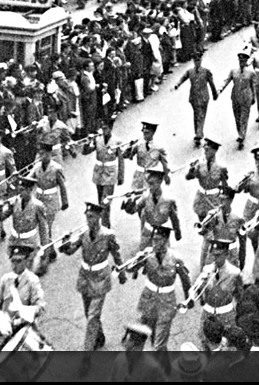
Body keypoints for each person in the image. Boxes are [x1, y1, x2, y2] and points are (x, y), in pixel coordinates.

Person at [60, 201, 125, 351]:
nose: (89, 220)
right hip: (85, 277)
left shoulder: (108, 235)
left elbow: (116, 254)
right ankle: (99, 336)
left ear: (99, 217)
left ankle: (87, 352)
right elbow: (70, 251)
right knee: (88, 312)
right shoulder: (83, 234)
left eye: (92, 217)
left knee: (92, 316)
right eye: (87, 217)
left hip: (100, 278)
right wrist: (65, 242)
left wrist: (121, 273)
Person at [136, 223, 191, 352]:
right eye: (153, 239)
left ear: (165, 240)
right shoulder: (148, 255)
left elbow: (185, 279)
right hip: (149, 298)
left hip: (166, 301)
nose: (154, 243)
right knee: (143, 334)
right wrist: (138, 260)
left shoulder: (175, 258)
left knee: (159, 343)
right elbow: (131, 269)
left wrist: (189, 298)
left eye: (158, 240)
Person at [0, 244, 46, 345]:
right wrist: (0, 317)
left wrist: (25, 312)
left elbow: (40, 307)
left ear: (25, 261)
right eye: (13, 261)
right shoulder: (5, 279)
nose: (15, 265)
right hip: (8, 329)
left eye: (19, 261)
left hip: (27, 329)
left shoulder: (32, 280)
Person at [82, 118, 126, 227]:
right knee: (100, 201)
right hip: (98, 174)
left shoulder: (117, 142)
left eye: (106, 128)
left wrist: (120, 177)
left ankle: (105, 226)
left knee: (105, 201)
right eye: (102, 128)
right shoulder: (98, 140)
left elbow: (121, 160)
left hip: (110, 175)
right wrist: (88, 142)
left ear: (110, 128)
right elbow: (85, 152)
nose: (103, 130)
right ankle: (103, 224)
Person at [174, 50, 219, 147]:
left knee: (201, 115)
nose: (197, 62)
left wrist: (215, 94)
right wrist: (177, 85)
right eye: (195, 61)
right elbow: (183, 78)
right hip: (194, 97)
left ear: (201, 60)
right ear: (193, 61)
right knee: (197, 115)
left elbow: (211, 83)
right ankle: (198, 132)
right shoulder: (190, 72)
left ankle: (198, 133)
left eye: (198, 60)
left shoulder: (206, 72)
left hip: (203, 97)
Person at [219, 50, 257, 149]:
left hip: (246, 97)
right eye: (240, 61)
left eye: (243, 61)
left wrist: (254, 97)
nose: (241, 63)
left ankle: (241, 135)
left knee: (244, 117)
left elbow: (253, 85)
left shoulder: (251, 72)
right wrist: (220, 90)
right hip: (235, 96)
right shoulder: (233, 71)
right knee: (237, 117)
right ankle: (240, 132)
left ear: (246, 62)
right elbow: (226, 80)